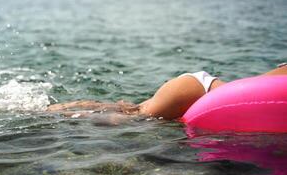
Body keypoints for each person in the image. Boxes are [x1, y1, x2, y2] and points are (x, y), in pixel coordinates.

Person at [47, 64, 287, 122]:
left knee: (130, 111)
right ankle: (47, 111)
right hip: (197, 92)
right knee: (131, 119)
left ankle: (49, 109)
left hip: (200, 88)